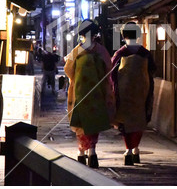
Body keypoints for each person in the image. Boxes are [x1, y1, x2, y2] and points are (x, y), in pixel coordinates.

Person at [64, 19, 114, 168]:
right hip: (97, 92)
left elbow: (68, 69)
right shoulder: (101, 50)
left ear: (82, 34)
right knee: (94, 121)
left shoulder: (77, 51)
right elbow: (108, 68)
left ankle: (81, 153)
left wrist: (77, 79)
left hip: (80, 91)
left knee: (80, 123)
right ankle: (92, 152)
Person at [111, 22, 156, 165]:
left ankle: (128, 150)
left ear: (124, 36)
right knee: (140, 118)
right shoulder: (145, 53)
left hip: (124, 92)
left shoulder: (120, 53)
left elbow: (111, 73)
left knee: (125, 120)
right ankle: (135, 148)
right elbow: (153, 70)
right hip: (143, 90)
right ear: (138, 36)